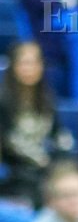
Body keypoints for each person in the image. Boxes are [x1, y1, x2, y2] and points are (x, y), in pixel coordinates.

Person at [0, 41, 73, 207]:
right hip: (15, 169)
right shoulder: (3, 101)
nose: (30, 68)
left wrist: (64, 151)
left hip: (44, 166)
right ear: (14, 66)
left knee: (68, 174)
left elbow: (58, 134)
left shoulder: (47, 98)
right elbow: (9, 141)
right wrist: (42, 160)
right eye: (25, 63)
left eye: (35, 63)